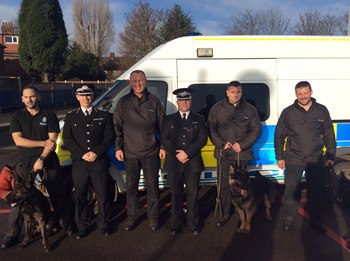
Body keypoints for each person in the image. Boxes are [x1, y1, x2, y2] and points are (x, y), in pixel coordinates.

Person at [1, 86, 73, 250]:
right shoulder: (17, 117)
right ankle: (12, 234)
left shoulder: (49, 114)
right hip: (25, 163)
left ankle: (66, 225)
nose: (29, 100)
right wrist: (42, 143)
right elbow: (18, 141)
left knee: (57, 195)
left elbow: (53, 139)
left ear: (38, 97)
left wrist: (41, 158)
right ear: (22, 99)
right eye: (26, 97)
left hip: (47, 160)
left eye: (32, 96)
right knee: (20, 199)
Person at [274, 81, 336, 233]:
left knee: (316, 191)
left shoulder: (321, 110)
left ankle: (316, 221)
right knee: (291, 190)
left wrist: (331, 155)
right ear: (296, 94)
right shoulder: (288, 112)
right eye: (299, 93)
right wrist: (280, 157)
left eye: (305, 93)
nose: (302, 96)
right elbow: (279, 136)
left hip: (315, 158)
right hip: (294, 158)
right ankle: (289, 217)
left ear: (311, 92)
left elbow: (329, 134)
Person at [113, 70, 165, 231]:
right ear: (130, 83)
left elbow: (163, 127)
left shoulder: (154, 102)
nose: (138, 84)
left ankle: (153, 219)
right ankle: (132, 218)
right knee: (132, 189)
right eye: (134, 81)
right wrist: (118, 147)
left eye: (141, 80)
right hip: (130, 153)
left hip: (151, 153)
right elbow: (117, 127)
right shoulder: (123, 102)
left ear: (146, 81)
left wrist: (162, 146)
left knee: (152, 188)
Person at [63, 84, 115, 239]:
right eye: (82, 95)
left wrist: (96, 153)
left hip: (99, 162)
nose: (86, 98)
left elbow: (109, 137)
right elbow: (67, 138)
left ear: (93, 97)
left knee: (103, 195)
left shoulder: (104, 116)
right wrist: (82, 154)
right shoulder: (71, 117)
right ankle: (82, 225)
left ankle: (103, 225)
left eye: (89, 95)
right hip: (80, 163)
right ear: (77, 97)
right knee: (80, 195)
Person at [208, 80, 261, 227]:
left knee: (242, 187)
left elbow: (256, 130)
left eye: (238, 92)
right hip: (223, 154)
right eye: (232, 92)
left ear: (241, 92)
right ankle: (225, 214)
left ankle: (242, 213)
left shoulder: (250, 110)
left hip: (242, 154)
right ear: (227, 92)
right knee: (224, 186)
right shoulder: (217, 109)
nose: (235, 94)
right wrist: (221, 143)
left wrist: (242, 144)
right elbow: (211, 128)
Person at [161, 88, 208, 235]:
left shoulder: (199, 119)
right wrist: (178, 154)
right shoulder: (169, 119)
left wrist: (187, 153)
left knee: (192, 194)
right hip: (175, 162)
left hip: (192, 162)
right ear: (177, 102)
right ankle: (175, 224)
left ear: (191, 101)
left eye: (187, 100)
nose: (185, 103)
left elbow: (202, 139)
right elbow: (165, 138)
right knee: (175, 194)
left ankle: (193, 224)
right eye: (182, 100)